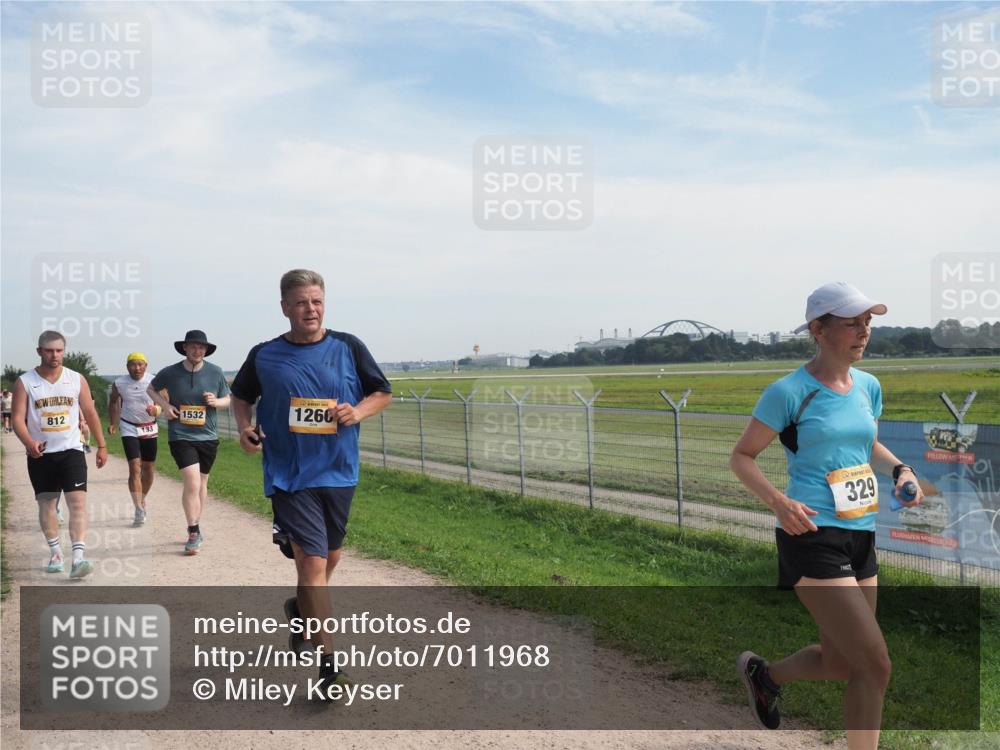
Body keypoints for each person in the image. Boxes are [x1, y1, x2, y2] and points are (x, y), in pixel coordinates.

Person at [730, 282, 924, 750]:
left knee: (844, 664)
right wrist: (779, 502)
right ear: (818, 330)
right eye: (851, 323)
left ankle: (766, 677)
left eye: (867, 322)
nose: (864, 331)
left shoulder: (869, 387)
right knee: (875, 664)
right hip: (811, 535)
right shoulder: (789, 392)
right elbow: (742, 457)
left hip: (861, 534)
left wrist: (900, 468)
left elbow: (865, 444)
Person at [231, 269, 392, 700]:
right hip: (290, 475)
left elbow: (382, 392)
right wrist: (245, 427)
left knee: (331, 557)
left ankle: (300, 611)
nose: (311, 309)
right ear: (285, 307)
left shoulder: (348, 346)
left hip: (339, 471)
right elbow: (241, 396)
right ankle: (330, 668)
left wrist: (358, 411)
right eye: (301, 302)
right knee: (312, 565)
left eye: (317, 301)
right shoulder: (264, 355)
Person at [10, 331, 108, 579]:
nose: (55, 356)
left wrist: (102, 445)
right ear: (39, 351)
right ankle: (55, 553)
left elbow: (91, 412)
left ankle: (78, 558)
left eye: (59, 351)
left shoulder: (76, 379)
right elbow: (18, 419)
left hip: (71, 451)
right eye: (49, 350)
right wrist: (29, 442)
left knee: (77, 504)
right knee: (47, 504)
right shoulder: (25, 382)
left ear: (64, 351)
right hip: (41, 455)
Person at [147, 330, 230, 555]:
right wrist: (165, 406)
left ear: (206, 350)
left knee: (202, 483)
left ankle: (196, 523)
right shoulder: (170, 372)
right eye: (193, 346)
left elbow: (228, 399)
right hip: (181, 435)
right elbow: (151, 389)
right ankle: (193, 531)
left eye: (201, 347)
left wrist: (216, 401)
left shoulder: (216, 372)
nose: (197, 350)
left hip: (208, 436)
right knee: (192, 482)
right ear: (185, 348)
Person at [109, 352, 161, 526]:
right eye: (133, 364)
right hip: (129, 426)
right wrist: (114, 423)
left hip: (149, 427)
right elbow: (113, 402)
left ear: (146, 366)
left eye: (140, 364)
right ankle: (138, 508)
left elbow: (166, 400)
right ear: (127, 366)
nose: (136, 368)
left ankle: (142, 498)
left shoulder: (154, 381)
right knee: (134, 467)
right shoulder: (119, 383)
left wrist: (157, 409)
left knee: (149, 468)